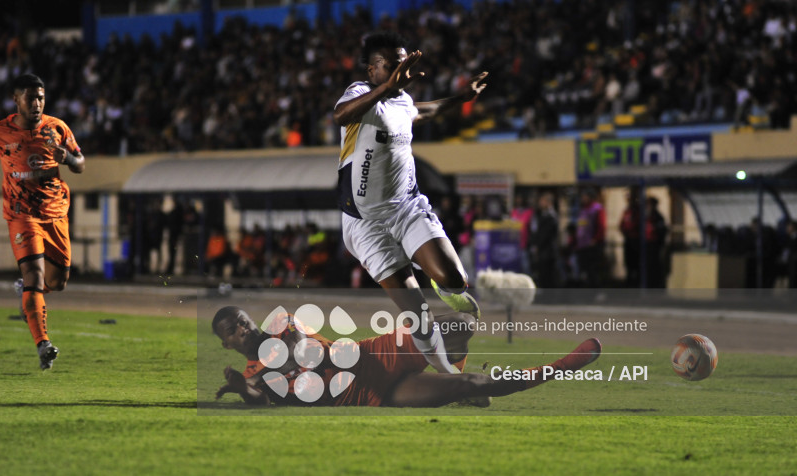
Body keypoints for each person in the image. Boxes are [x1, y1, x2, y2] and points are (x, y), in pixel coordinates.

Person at [333, 31, 488, 374]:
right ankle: (449, 376)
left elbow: (423, 111)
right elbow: (341, 116)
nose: (400, 71)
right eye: (392, 65)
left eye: (403, 63)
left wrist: (461, 97)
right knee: (418, 315)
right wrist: (385, 89)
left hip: (406, 207)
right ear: (373, 69)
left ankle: (446, 285)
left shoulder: (402, 101)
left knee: (454, 279)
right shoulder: (360, 94)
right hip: (364, 221)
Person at [212, 306, 601, 408]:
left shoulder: (282, 321)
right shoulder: (252, 373)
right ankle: (564, 366)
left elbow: (304, 351)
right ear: (226, 343)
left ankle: (452, 373)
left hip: (372, 354)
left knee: (461, 324)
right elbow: (259, 399)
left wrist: (261, 375)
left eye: (243, 322)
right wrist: (242, 389)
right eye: (233, 330)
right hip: (369, 395)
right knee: (474, 384)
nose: (243, 330)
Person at [0, 74, 85, 369]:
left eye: (41, 97)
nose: (36, 103)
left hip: (56, 212)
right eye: (31, 97)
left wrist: (68, 160)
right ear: (16, 99)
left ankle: (28, 294)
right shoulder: (1, 131)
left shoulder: (56, 127)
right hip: (22, 214)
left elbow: (81, 164)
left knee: (57, 283)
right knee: (34, 275)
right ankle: (43, 344)